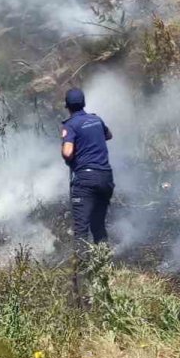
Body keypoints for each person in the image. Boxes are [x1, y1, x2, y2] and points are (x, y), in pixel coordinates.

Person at [61, 87, 114, 295]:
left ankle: (81, 286)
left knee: (81, 231)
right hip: (105, 177)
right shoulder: (96, 119)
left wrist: (70, 150)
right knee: (98, 226)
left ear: (67, 106)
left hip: (85, 180)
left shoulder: (70, 125)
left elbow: (68, 152)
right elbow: (108, 135)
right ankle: (104, 274)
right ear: (83, 103)